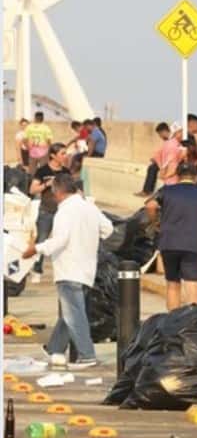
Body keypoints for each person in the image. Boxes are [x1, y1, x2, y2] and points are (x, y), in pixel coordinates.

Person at [22, 174, 113, 369]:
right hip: (87, 268)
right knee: (71, 312)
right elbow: (108, 229)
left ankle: (87, 355)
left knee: (74, 314)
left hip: (69, 268)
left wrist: (36, 249)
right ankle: (54, 348)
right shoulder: (90, 207)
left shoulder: (64, 212)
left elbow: (60, 240)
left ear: (58, 192)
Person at [146, 163, 197, 310]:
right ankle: (192, 323)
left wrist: (156, 222)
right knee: (192, 285)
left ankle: (172, 321)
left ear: (178, 176)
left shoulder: (166, 190)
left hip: (169, 243)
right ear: (196, 177)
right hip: (192, 244)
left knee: (172, 284)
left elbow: (150, 205)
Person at [29, 143, 72, 283]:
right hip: (46, 212)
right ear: (53, 155)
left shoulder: (66, 172)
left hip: (64, 213)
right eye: (63, 154)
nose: (66, 156)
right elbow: (32, 190)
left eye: (66, 153)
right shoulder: (42, 171)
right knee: (42, 240)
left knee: (66, 242)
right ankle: (36, 270)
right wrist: (46, 185)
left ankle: (65, 271)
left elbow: (73, 190)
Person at [135, 122, 171, 197]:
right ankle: (147, 190)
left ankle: (147, 191)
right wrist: (155, 159)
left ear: (164, 131)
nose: (160, 136)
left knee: (152, 168)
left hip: (171, 162)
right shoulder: (167, 141)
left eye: (160, 134)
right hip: (165, 161)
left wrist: (160, 162)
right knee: (152, 167)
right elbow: (161, 152)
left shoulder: (172, 140)